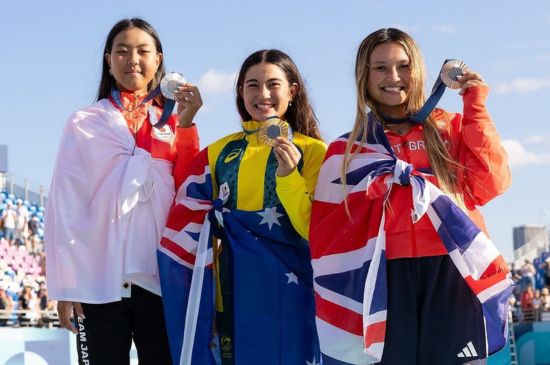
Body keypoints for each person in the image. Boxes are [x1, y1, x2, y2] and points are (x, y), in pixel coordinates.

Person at [310, 28, 513, 365]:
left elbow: (491, 183)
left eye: (403, 66)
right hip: (386, 280)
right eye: (381, 68)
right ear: (364, 75)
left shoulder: (448, 127)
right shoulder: (347, 150)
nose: (394, 77)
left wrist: (475, 104)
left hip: (452, 271)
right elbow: (327, 234)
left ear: (417, 70)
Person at [45, 18, 202, 365]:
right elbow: (66, 205)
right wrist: (67, 287)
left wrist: (188, 125)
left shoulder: (176, 121)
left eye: (143, 51)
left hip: (160, 276)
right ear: (108, 59)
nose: (133, 58)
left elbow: (189, 190)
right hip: (98, 279)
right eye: (123, 51)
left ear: (158, 59)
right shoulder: (85, 122)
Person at [158, 49, 326, 365]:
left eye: (273, 84)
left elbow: (314, 230)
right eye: (252, 85)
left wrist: (289, 178)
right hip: (234, 296)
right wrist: (185, 124)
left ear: (292, 90)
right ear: (240, 91)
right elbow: (184, 199)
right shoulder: (221, 151)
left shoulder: (314, 151)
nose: (263, 94)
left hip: (293, 295)